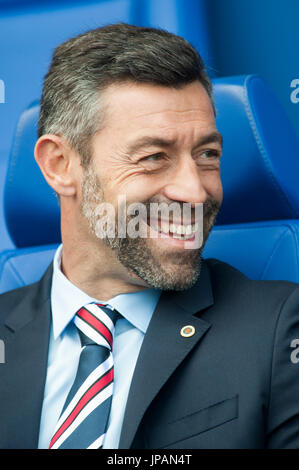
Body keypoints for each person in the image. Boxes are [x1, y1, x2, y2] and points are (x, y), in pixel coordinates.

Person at [0, 23, 299, 450]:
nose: (194, 192)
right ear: (60, 164)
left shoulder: (281, 332)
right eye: (154, 157)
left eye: (207, 155)